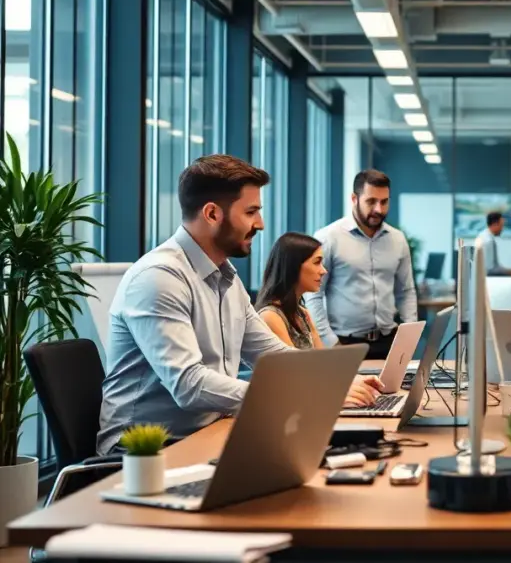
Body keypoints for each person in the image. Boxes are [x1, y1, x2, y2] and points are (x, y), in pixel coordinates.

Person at [97, 156, 380, 455]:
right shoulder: (159, 278)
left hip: (209, 430)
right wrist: (307, 395)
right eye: (251, 212)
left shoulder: (227, 279)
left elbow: (274, 356)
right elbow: (189, 385)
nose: (260, 224)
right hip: (143, 452)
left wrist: (337, 381)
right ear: (212, 214)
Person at [305, 169, 417, 359]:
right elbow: (313, 295)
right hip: (345, 343)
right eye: (371, 201)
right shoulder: (328, 237)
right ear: (354, 199)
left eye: (384, 202)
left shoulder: (398, 239)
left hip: (389, 342)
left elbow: (405, 291)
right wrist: (330, 341)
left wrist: (409, 335)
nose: (379, 209)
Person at [254, 233, 327, 350]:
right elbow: (293, 361)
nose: (323, 271)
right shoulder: (271, 316)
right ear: (293, 266)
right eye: (316, 262)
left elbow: (322, 357)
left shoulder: (302, 313)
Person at [474, 211, 511, 277]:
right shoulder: (488, 241)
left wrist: (506, 271)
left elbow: (494, 266)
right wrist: (509, 272)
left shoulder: (482, 236)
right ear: (495, 224)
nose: (502, 229)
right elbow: (489, 270)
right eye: (501, 225)